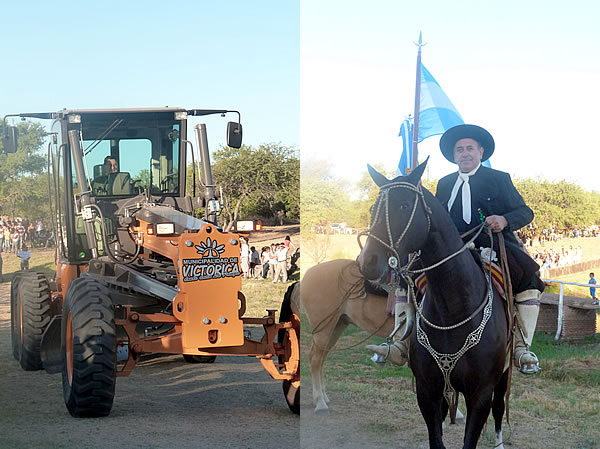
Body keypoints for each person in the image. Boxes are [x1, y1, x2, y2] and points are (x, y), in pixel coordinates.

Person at [368, 124, 544, 375]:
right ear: (454, 156)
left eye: (469, 148)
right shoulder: (445, 183)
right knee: (408, 278)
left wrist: (504, 220)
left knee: (528, 280)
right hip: (448, 253)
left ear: (481, 152)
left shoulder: (499, 179)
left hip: (491, 247)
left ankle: (522, 347)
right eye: (459, 149)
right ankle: (400, 343)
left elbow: (525, 212)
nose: (464, 153)